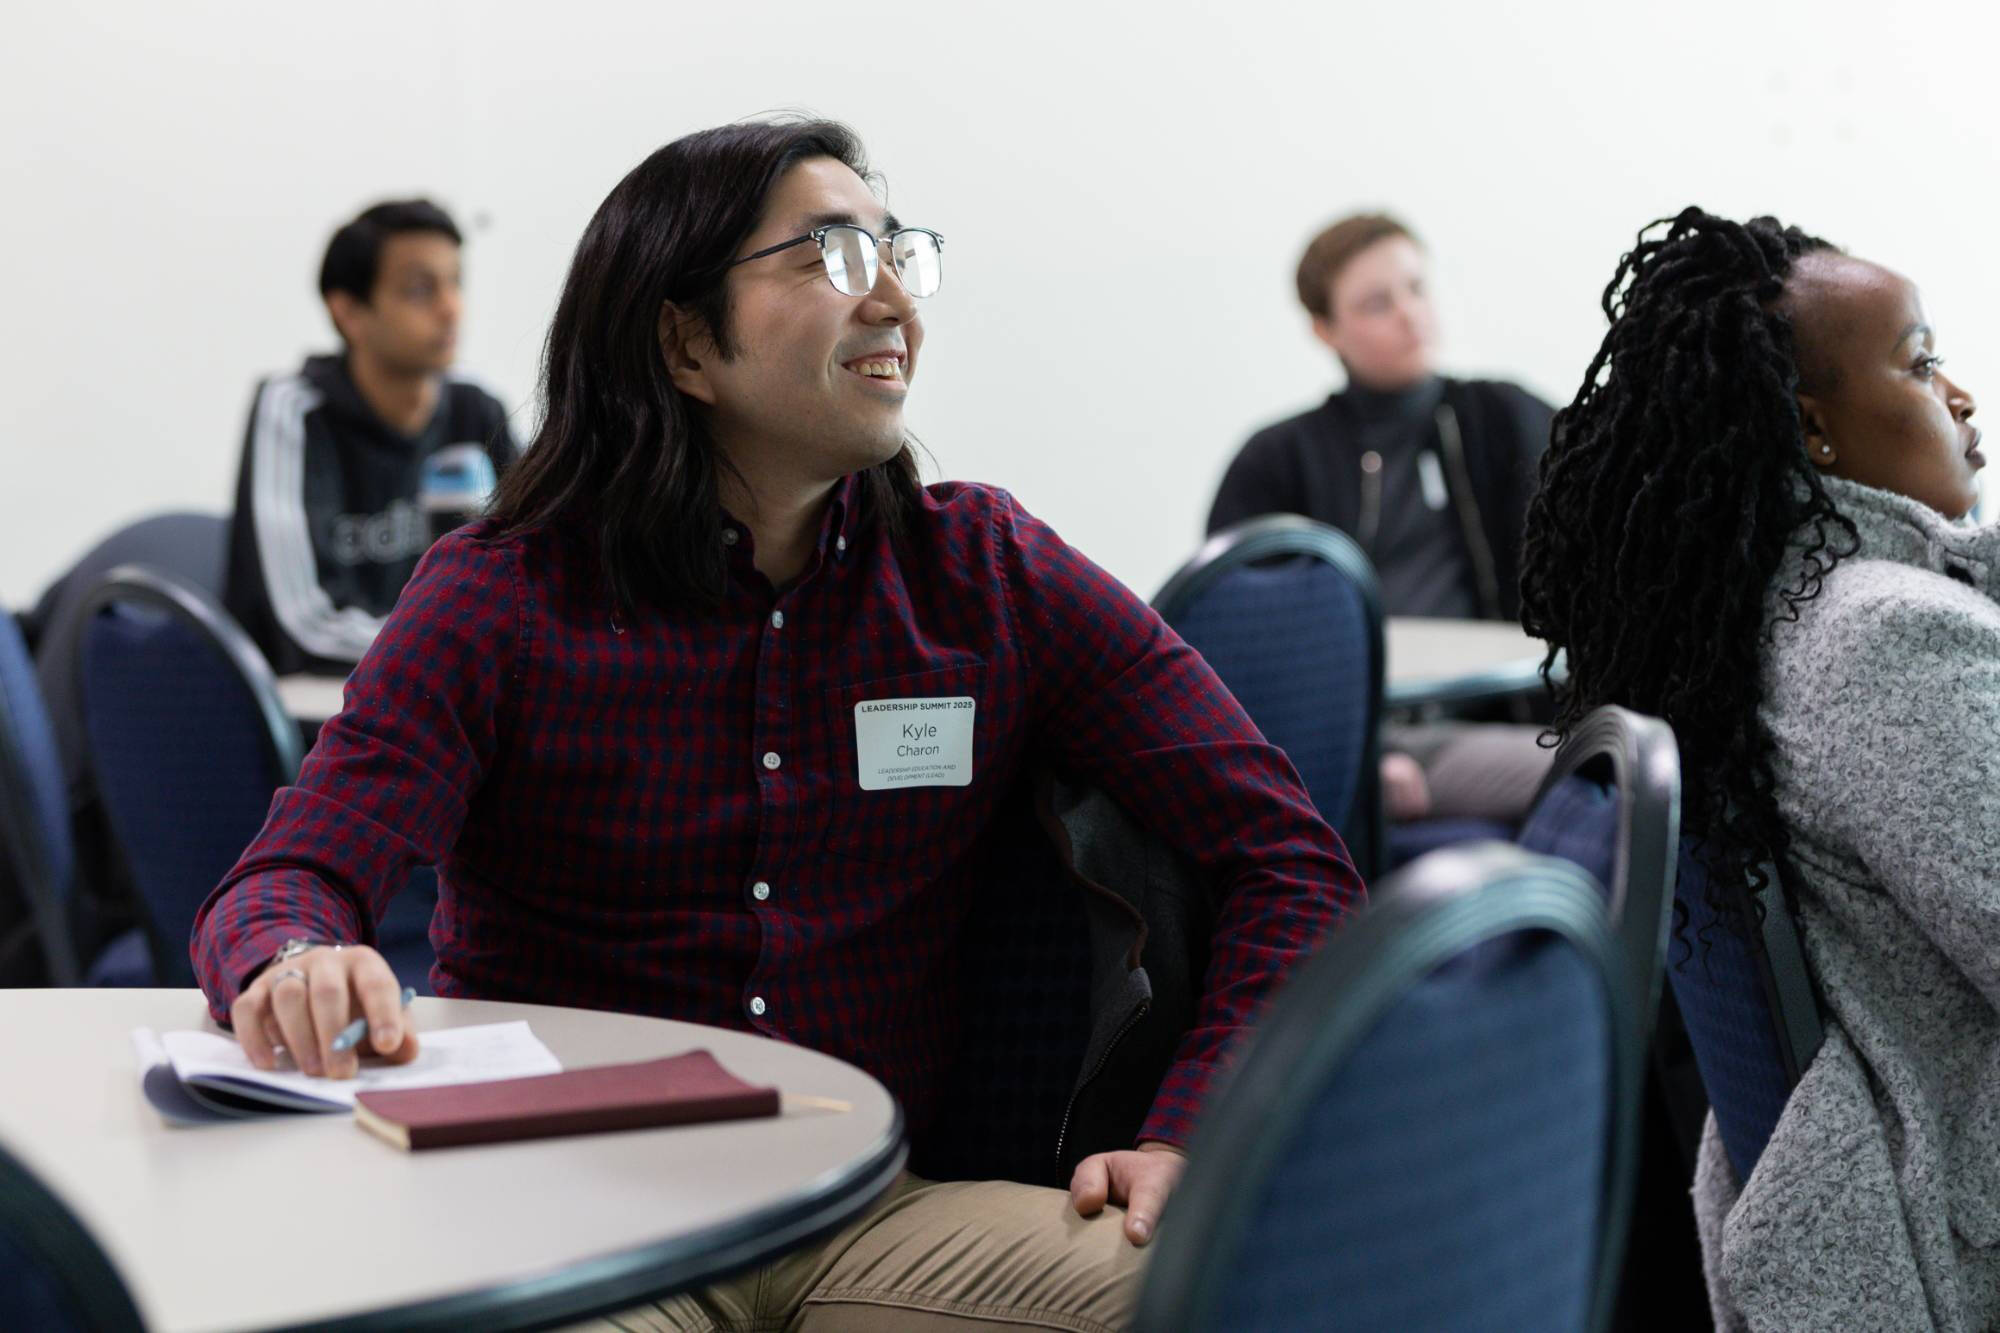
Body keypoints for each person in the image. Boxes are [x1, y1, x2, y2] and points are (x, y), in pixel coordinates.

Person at [192, 118, 1360, 1331]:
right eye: (832, 256)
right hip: (573, 1218)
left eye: (897, 253)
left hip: (871, 1208)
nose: (895, 299)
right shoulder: (506, 593)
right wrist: (293, 958)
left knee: (1239, 1284)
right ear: (685, 341)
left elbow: (1286, 856)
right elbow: (288, 875)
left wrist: (1190, 1125)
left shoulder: (987, 571)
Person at [1520, 207, 1995, 1330]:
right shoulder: (1883, 635)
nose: (1958, 395)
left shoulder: (1768, 606)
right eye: (1919, 362)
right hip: (1953, 1197)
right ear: (1812, 429)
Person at [1209, 213, 1553, 826]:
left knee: (1631, 757)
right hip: (1363, 742)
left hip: (1500, 713)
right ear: (1324, 329)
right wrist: (1371, 755)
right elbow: (1239, 653)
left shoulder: (1506, 419)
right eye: (1376, 303)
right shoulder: (1276, 462)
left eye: (1416, 288)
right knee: (1623, 770)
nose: (1409, 313)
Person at [223, 199, 519, 676]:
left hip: (439, 694)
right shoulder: (295, 411)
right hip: (322, 712)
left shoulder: (478, 412)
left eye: (455, 283)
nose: (451, 308)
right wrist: (459, 648)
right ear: (349, 313)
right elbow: (302, 629)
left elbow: (539, 570)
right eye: (421, 289)